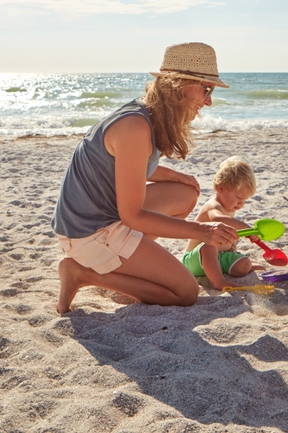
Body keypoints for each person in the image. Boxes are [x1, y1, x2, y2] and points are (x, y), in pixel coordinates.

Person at [52, 42, 240, 314]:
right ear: (178, 86)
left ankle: (129, 261)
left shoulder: (148, 115)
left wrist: (177, 176)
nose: (208, 100)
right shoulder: (135, 127)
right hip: (88, 233)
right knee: (186, 292)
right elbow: (132, 216)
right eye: (206, 89)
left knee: (184, 192)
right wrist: (203, 232)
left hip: (102, 215)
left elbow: (129, 168)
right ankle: (84, 274)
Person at [181, 156, 264, 290]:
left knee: (243, 265)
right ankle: (219, 282)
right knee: (209, 247)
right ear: (221, 188)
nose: (241, 204)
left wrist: (230, 245)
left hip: (218, 257)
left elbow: (226, 232)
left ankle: (238, 267)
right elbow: (217, 220)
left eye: (244, 200)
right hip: (195, 260)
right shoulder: (213, 206)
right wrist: (247, 228)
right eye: (238, 198)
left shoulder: (230, 208)